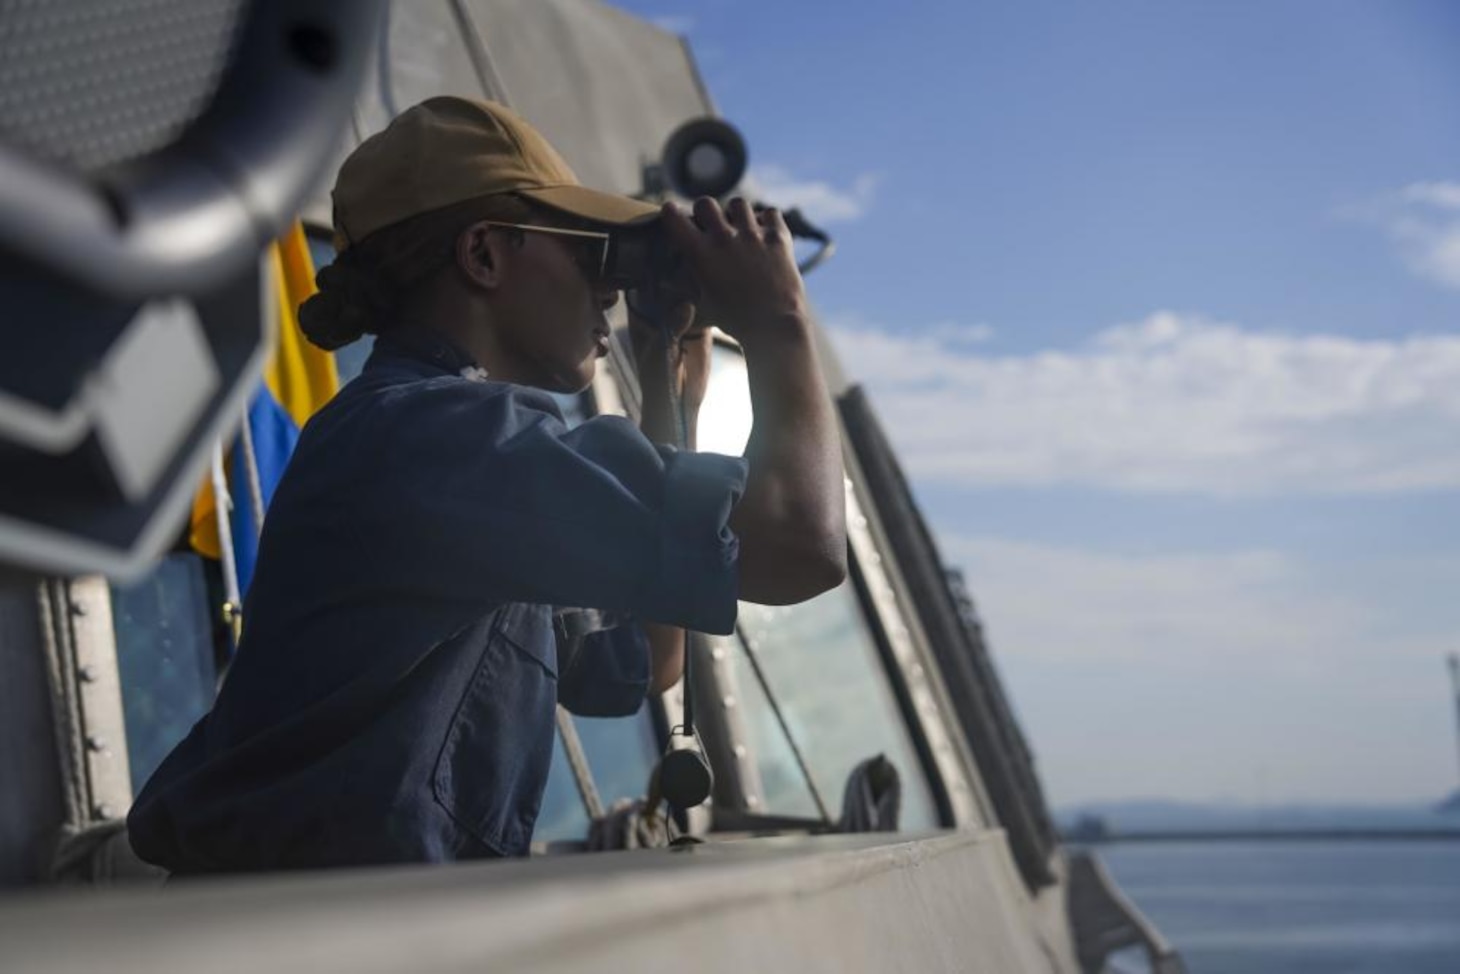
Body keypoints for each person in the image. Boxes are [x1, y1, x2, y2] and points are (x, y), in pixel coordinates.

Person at [127, 96, 846, 873]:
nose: (607, 291)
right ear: (484, 256)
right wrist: (778, 319)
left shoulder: (462, 462)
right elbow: (804, 547)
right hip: (300, 934)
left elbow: (641, 662)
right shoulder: (440, 438)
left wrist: (667, 389)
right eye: (584, 253)